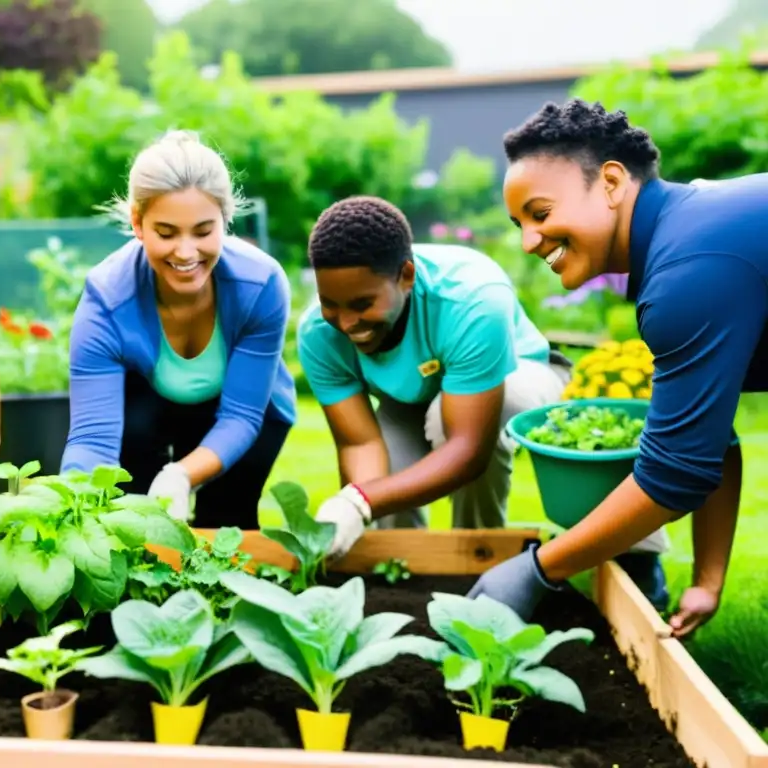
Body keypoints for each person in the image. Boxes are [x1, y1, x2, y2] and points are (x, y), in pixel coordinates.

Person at [471, 97, 766, 638]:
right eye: (518, 224)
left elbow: (672, 476)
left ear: (611, 183)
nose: (529, 242)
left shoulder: (688, 267)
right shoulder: (689, 230)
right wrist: (707, 580)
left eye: (540, 214)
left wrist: (539, 569)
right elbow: (711, 440)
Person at [297, 195, 575, 557]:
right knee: (387, 468)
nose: (346, 323)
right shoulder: (319, 332)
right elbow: (359, 444)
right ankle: (399, 567)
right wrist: (356, 505)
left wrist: (362, 501)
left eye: (363, 304)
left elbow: (467, 449)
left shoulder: (473, 299)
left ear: (406, 277)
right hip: (414, 395)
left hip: (518, 375)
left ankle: (479, 554)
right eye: (330, 303)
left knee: (450, 423)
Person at [61, 130, 296, 528]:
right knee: (129, 522)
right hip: (146, 413)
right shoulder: (107, 298)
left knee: (225, 526)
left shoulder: (262, 285)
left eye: (203, 232)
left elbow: (241, 415)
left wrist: (181, 475)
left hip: (245, 416)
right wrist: (72, 511)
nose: (186, 253)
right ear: (138, 223)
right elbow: (92, 439)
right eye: (166, 233)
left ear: (225, 219)